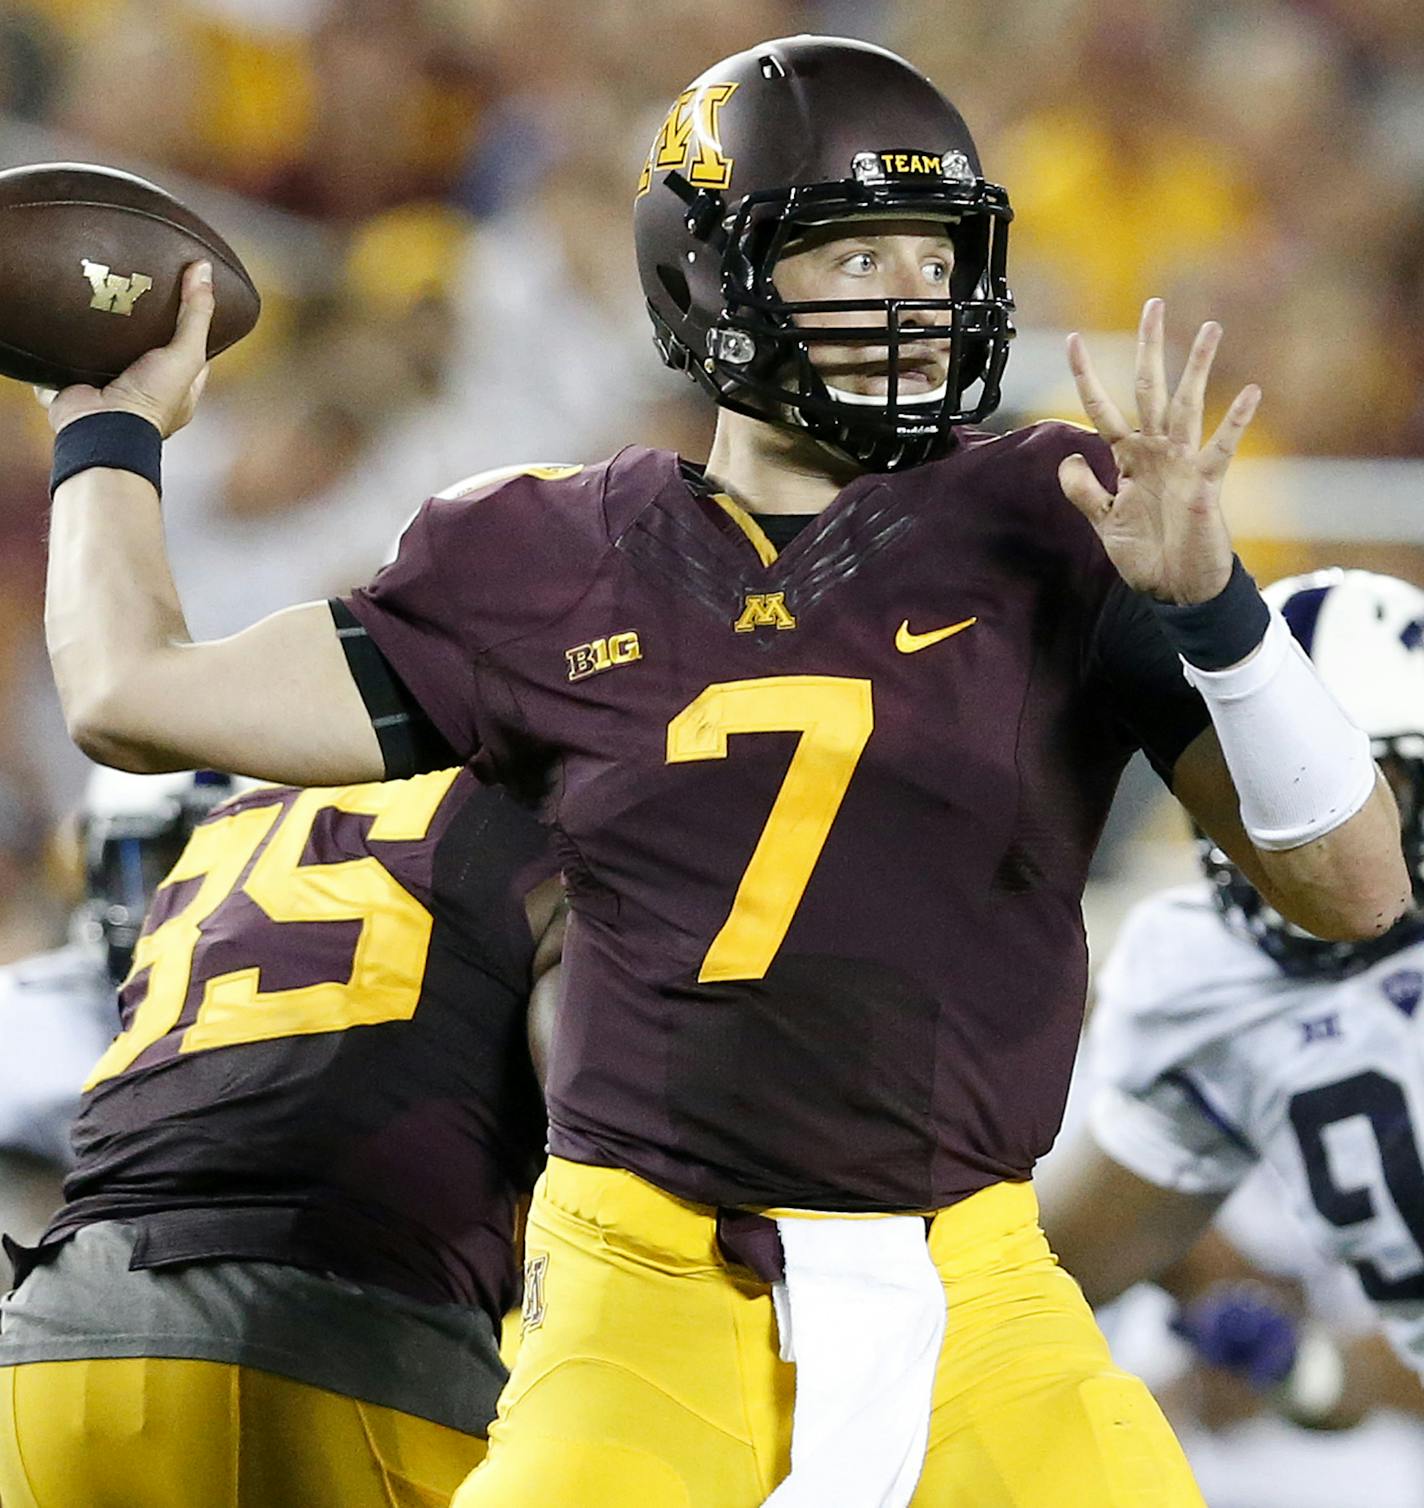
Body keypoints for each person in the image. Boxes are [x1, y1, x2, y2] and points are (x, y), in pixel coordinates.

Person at [34, 33, 1410, 1508]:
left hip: (979, 1290)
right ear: (712, 280)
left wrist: (1216, 612)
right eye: (856, 256)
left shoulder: (1060, 515)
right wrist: (105, 425)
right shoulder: (537, 551)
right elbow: (131, 695)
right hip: (649, 1282)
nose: (918, 300)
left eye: (934, 255)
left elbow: (1352, 889)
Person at [0, 765, 562, 1508]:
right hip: (338, 1338)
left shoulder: (245, 824)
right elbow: (602, 1140)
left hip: (50, 1343)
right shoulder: (563, 818)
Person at [1041, 567, 1424, 1425]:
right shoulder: (1203, 973)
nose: (1303, 827)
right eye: (1258, 782)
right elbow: (1056, 1278)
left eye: (1359, 792)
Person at [0, 768, 233, 1242]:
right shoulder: (31, 1027)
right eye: (158, 871)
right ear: (89, 863)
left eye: (224, 872)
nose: (184, 911)